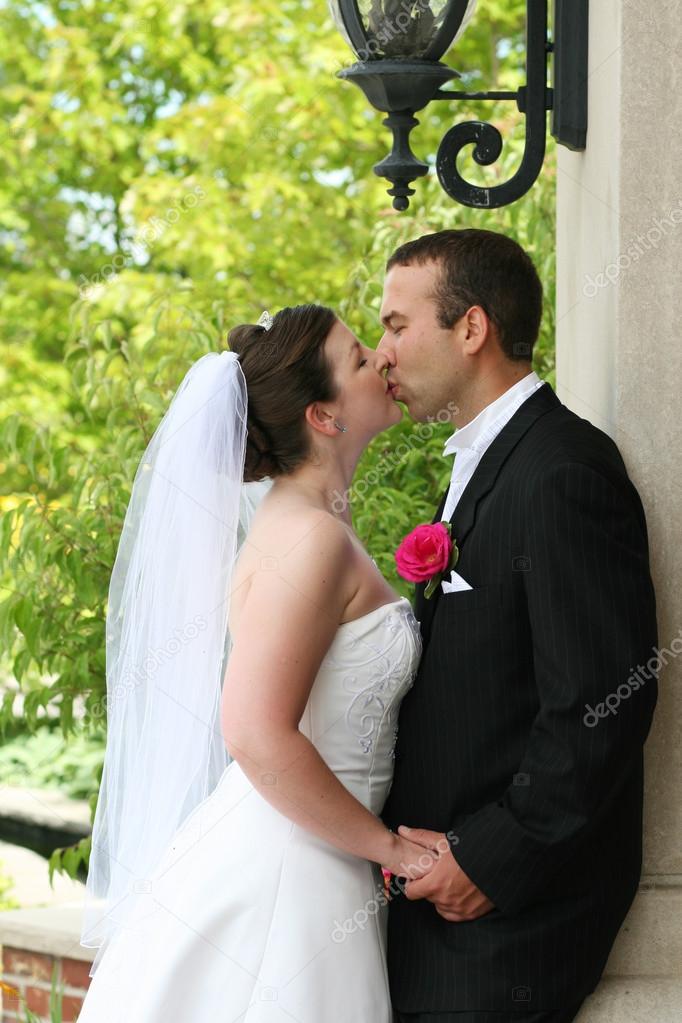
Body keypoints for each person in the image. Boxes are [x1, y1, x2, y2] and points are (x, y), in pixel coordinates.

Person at [77, 304, 438, 1022]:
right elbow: (252, 728)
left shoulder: (311, 520)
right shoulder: (310, 538)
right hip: (292, 869)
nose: (385, 362)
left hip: (315, 853)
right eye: (363, 359)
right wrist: (392, 851)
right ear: (324, 416)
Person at [377, 229, 659, 1023]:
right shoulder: (484, 462)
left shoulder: (563, 469)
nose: (382, 352)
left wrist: (492, 862)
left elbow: (601, 704)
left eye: (399, 324)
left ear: (472, 329)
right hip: (435, 927)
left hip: (501, 935)